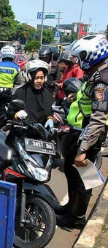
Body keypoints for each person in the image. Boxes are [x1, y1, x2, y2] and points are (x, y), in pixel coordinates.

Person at [56, 34, 108, 228]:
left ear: (94, 54)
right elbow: (84, 98)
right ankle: (70, 206)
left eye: (83, 55)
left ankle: (76, 218)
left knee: (83, 178)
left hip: (87, 136)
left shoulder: (102, 82)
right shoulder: (96, 75)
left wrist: (83, 149)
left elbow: (98, 118)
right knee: (70, 171)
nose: (81, 59)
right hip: (77, 131)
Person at [11, 59, 54, 124]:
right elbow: (10, 113)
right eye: (36, 78)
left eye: (41, 78)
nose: (39, 81)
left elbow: (52, 112)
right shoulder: (20, 92)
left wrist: (51, 119)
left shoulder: (47, 95)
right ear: (29, 77)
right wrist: (17, 115)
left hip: (41, 132)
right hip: (22, 131)